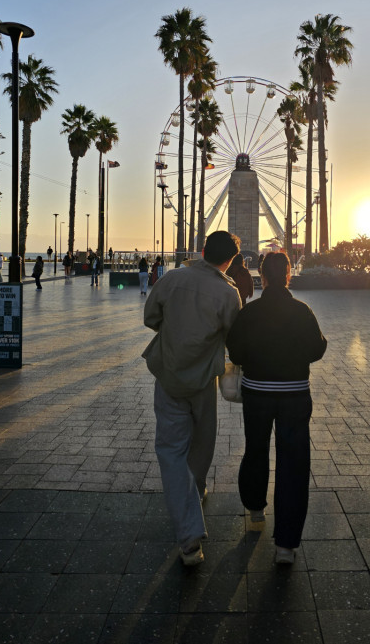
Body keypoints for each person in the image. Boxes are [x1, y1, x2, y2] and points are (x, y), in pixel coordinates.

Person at [143, 231, 241, 566]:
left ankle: (188, 536)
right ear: (230, 260)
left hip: (168, 375)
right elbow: (234, 338)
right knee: (202, 442)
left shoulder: (172, 279)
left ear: (202, 251)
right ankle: (195, 496)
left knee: (171, 451)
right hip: (203, 381)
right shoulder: (229, 293)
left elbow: (150, 318)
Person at [226, 251, 327, 565]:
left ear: (262, 276)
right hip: (295, 394)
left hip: (256, 392)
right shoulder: (302, 310)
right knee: (293, 462)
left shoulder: (250, 313)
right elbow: (317, 348)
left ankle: (255, 506)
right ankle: (286, 545)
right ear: (288, 275)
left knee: (256, 449)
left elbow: (236, 349)